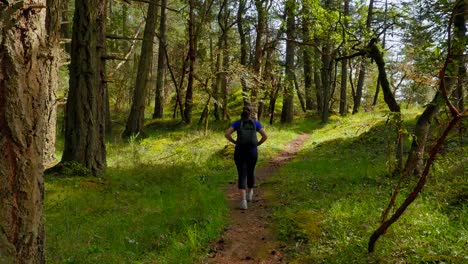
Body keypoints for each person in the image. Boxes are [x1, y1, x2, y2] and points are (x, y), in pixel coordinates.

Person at [225, 108, 267, 210]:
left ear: (241, 115)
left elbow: (227, 134)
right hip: (252, 151)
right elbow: (265, 136)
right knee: (251, 171)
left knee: (242, 173)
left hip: (240, 151)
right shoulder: (256, 123)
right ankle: (250, 194)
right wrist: (257, 144)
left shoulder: (237, 123)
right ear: (250, 115)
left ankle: (243, 201)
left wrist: (234, 142)